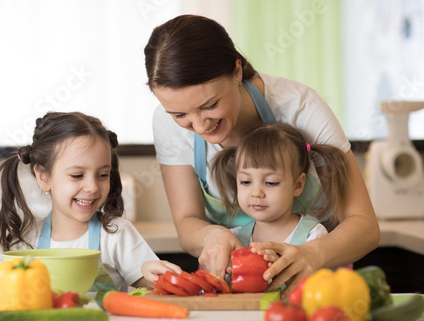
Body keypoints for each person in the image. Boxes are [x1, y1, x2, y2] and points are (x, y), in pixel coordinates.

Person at [144, 14, 379, 297]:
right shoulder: (166, 123)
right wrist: (212, 235)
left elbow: (364, 225)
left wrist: (311, 253)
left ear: (237, 71)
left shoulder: (300, 107)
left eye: (210, 105)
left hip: (318, 285)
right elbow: (187, 220)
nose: (200, 125)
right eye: (180, 114)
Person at [0, 111, 180, 292]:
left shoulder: (116, 234)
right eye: (77, 175)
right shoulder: (24, 237)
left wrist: (152, 275)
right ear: (44, 177)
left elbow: (152, 286)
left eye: (102, 175)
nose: (92, 187)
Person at [212, 123, 351, 255]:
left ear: (298, 185)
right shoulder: (233, 239)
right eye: (246, 181)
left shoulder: (313, 235)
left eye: (271, 183)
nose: (256, 193)